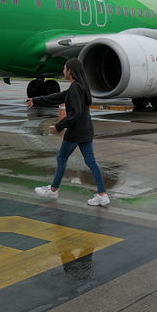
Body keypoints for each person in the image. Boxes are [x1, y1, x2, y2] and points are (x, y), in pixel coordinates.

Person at [26, 59, 110, 207]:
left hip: (76, 132)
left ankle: (53, 191)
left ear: (70, 70)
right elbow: (59, 96)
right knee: (91, 162)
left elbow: (75, 113)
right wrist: (36, 100)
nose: (63, 70)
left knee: (62, 158)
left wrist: (58, 127)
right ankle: (102, 195)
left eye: (65, 68)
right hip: (86, 130)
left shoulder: (75, 88)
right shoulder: (80, 86)